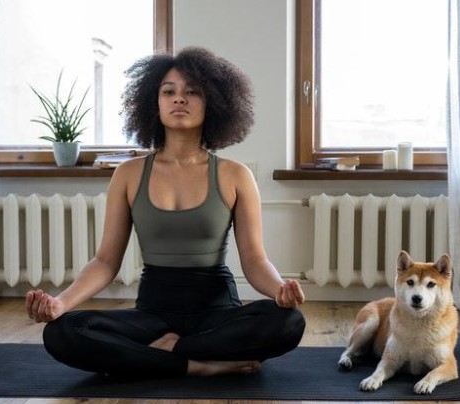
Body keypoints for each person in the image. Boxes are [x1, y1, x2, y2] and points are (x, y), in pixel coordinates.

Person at [25, 47, 306, 378]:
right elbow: (105, 262)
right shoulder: (128, 174)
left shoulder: (235, 175)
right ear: (153, 103)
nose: (179, 99)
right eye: (168, 91)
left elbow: (255, 260)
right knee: (62, 331)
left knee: (289, 322)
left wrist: (279, 291)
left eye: (192, 92)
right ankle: (196, 364)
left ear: (213, 102)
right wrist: (61, 303)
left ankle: (161, 356)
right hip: (153, 315)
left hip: (217, 312)